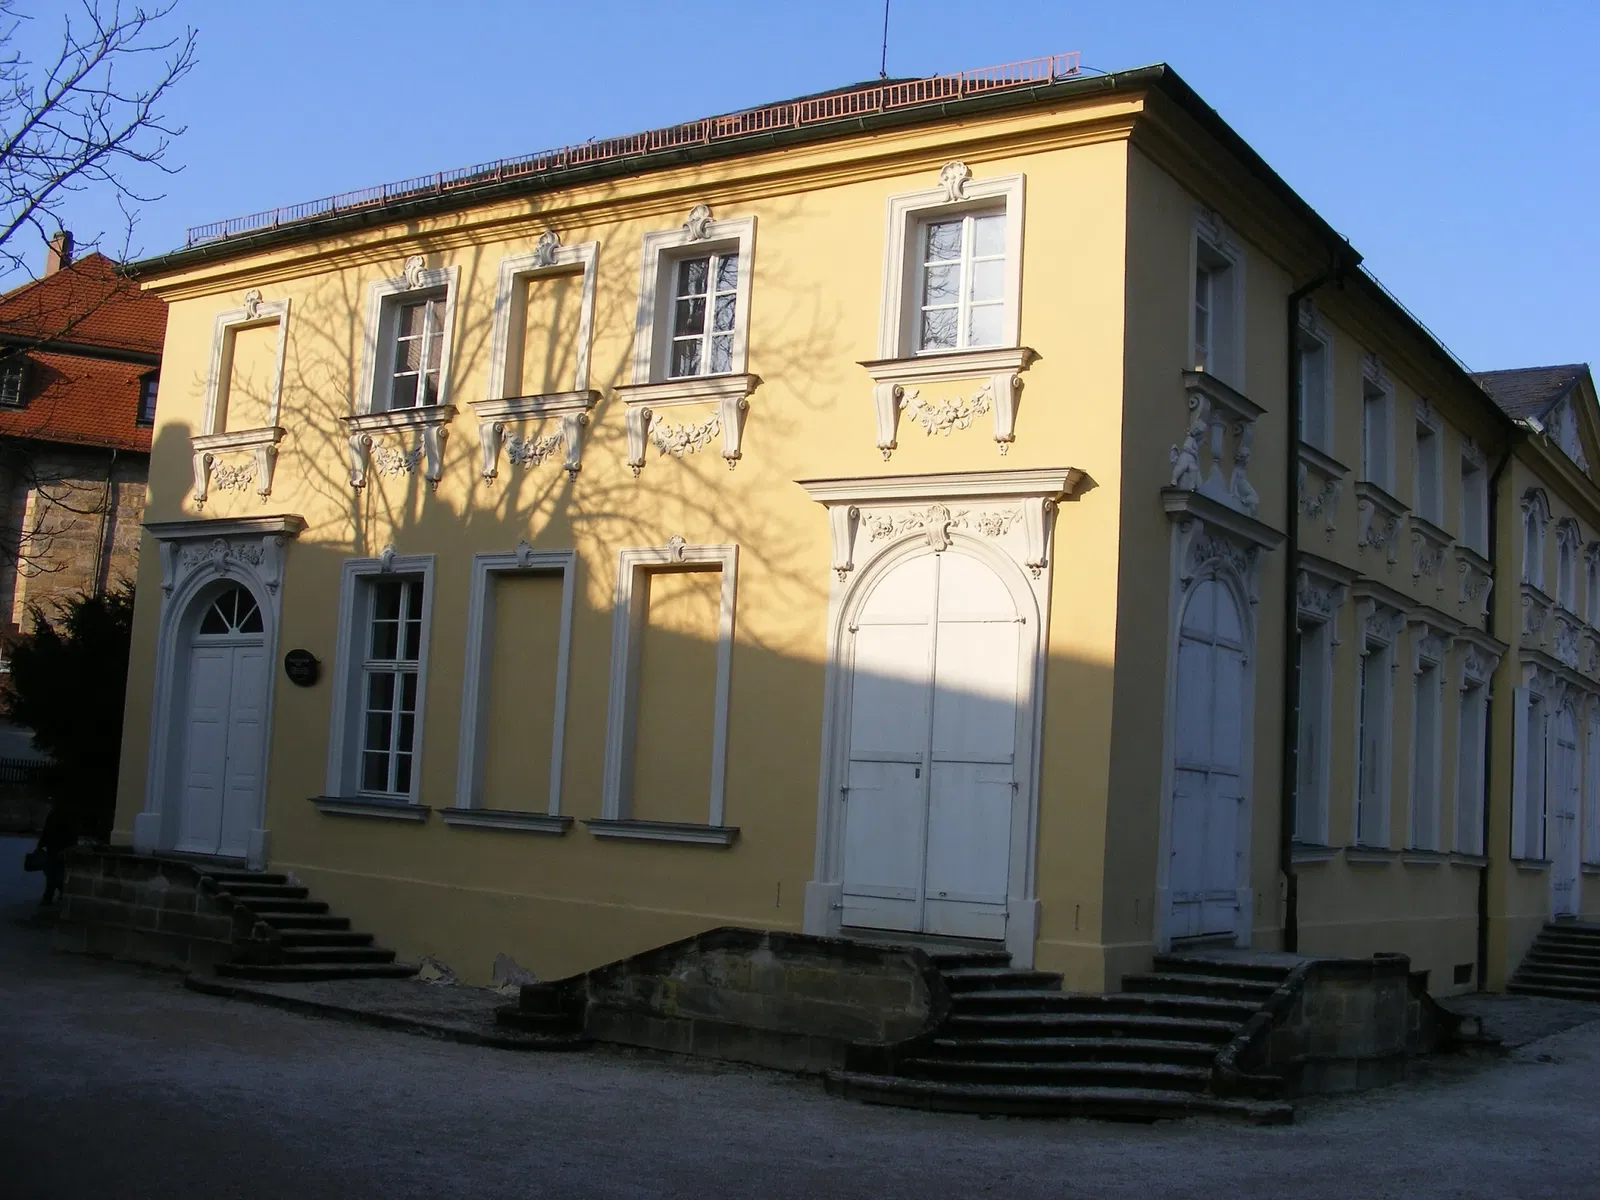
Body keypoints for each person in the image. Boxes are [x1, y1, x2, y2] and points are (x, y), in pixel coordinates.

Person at [34, 801, 76, 908]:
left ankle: (49, 896)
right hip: (62, 849)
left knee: (51, 874)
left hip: (53, 848)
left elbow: (46, 831)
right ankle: (58, 890)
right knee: (58, 872)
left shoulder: (53, 816)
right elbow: (72, 834)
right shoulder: (68, 816)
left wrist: (40, 845)